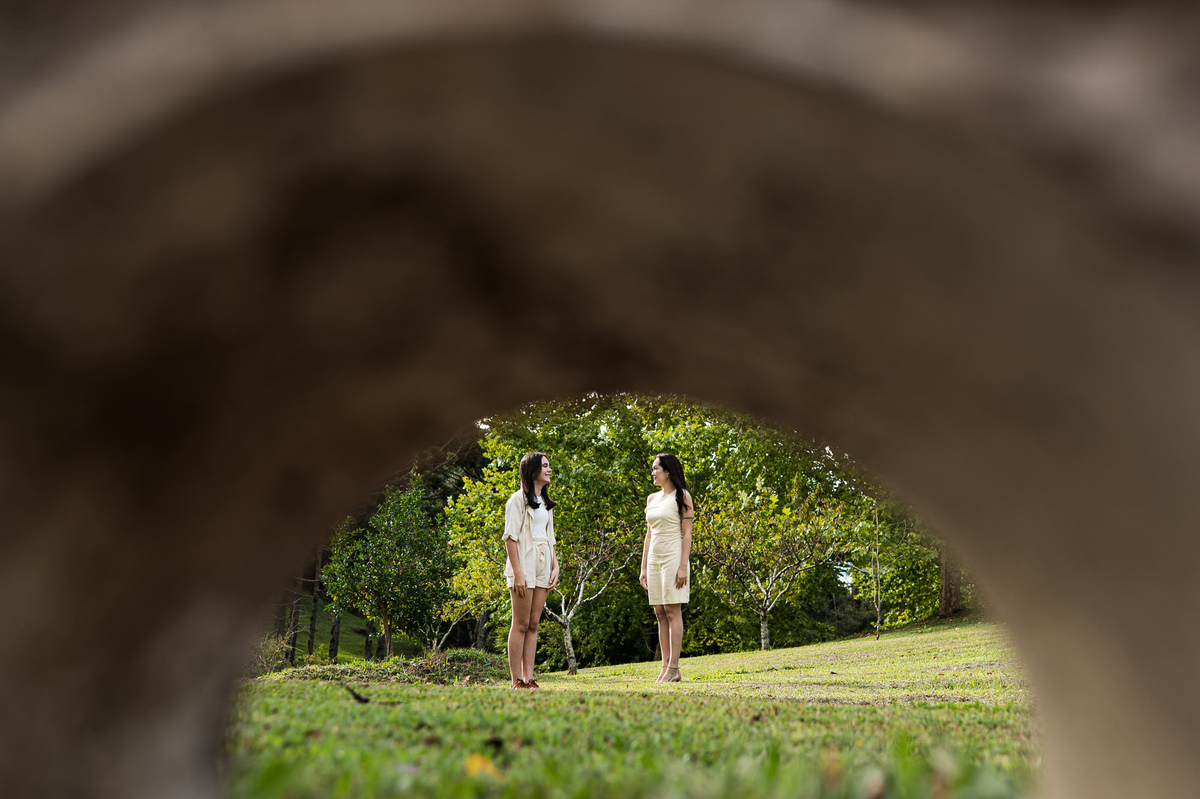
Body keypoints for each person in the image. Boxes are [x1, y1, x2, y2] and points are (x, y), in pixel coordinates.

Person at [502, 451, 560, 689]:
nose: (549, 470)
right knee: (521, 623)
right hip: (523, 564)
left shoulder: (547, 504)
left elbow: (550, 538)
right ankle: (516, 680)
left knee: (534, 623)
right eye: (545, 466)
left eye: (549, 466)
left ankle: (529, 678)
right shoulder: (517, 500)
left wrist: (555, 566)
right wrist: (517, 573)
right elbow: (510, 538)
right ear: (533, 470)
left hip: (543, 564)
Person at [639, 452, 693, 683]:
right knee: (659, 613)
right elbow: (648, 536)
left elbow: (688, 533)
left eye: (656, 469)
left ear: (668, 471)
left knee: (672, 611)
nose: (652, 473)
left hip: (673, 558)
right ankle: (665, 666)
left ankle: (674, 667)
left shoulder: (683, 496)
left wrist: (683, 566)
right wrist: (643, 568)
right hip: (654, 560)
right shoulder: (652, 499)